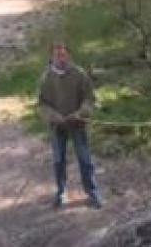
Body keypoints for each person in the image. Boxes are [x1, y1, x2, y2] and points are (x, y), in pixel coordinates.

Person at [38, 42, 102, 209]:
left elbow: (90, 99)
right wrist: (53, 116)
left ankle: (93, 193)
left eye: (63, 54)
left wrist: (80, 113)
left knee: (85, 159)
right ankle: (61, 193)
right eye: (57, 54)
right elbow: (42, 104)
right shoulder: (46, 78)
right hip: (57, 126)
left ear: (68, 55)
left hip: (77, 123)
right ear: (52, 57)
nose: (61, 57)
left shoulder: (79, 74)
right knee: (59, 161)